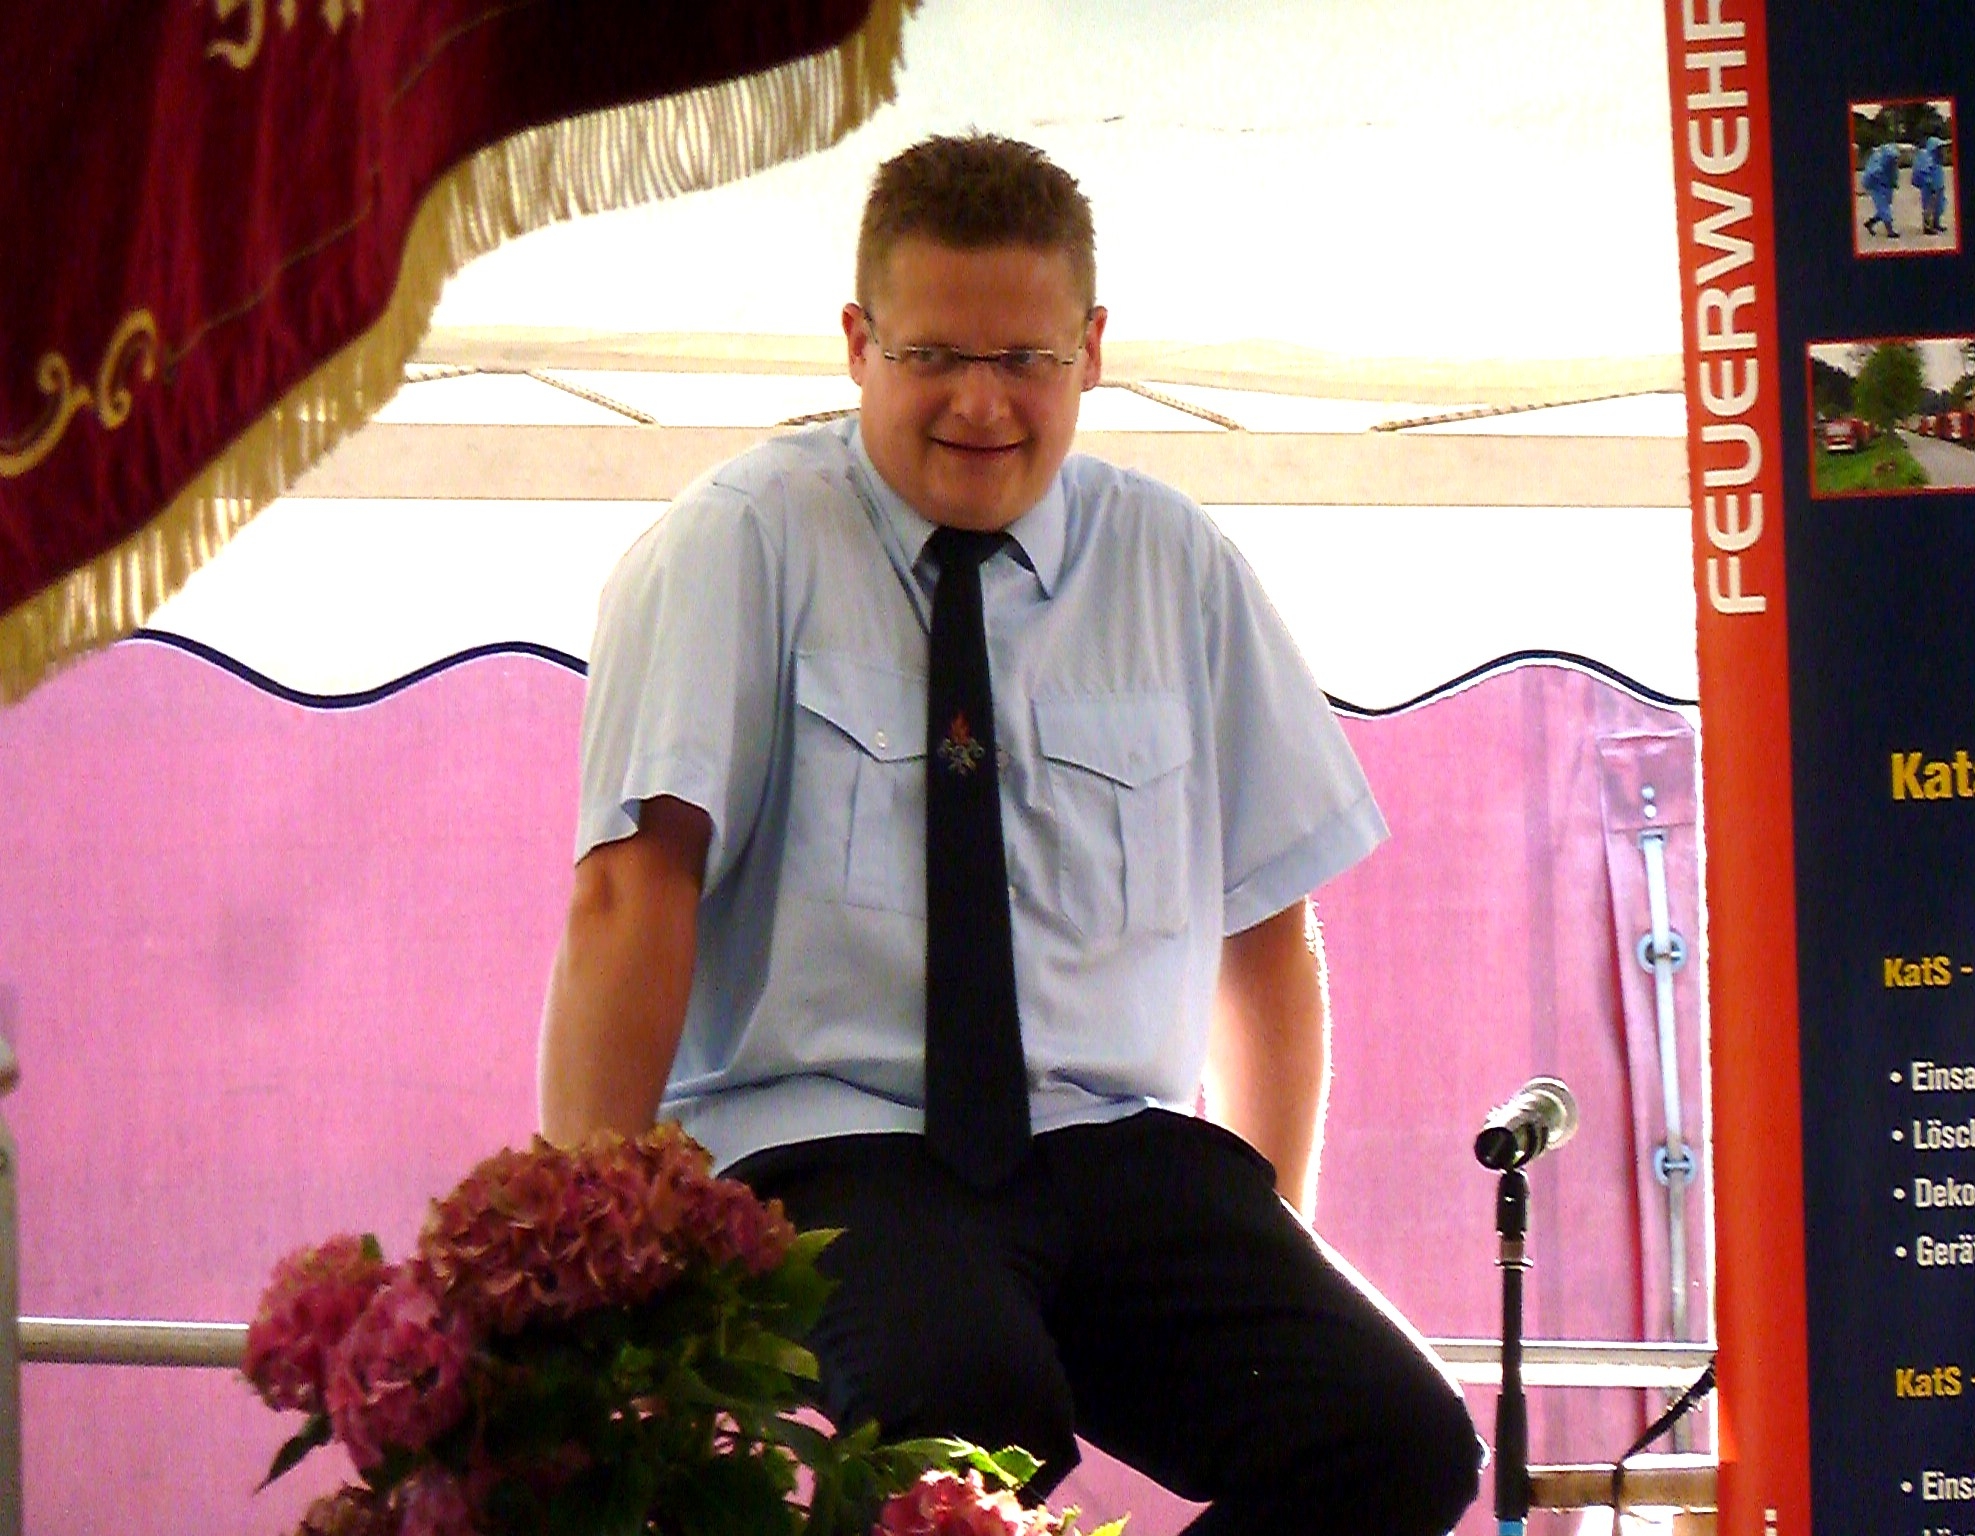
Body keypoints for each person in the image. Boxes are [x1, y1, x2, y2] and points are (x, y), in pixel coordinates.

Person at [539, 132, 1482, 1536]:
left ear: (1092, 350)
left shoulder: (1175, 563)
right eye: (932, 356)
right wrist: (594, 1274)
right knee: (971, 1415)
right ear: (857, 344)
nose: (980, 403)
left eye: (1026, 360)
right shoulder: (734, 544)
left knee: (1395, 1439)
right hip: (829, 1140)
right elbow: (631, 896)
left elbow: (1267, 934)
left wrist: (1268, 1229)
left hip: (1115, 1145)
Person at [1861, 139, 1900, 239]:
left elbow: (1894, 175)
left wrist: (1894, 183)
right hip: (1877, 187)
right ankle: (1890, 231)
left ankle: (1871, 222)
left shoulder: (1891, 164)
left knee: (1884, 208)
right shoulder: (1877, 163)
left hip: (1887, 187)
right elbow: (1870, 175)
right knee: (1884, 209)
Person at [1911, 135, 1946, 235]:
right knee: (1928, 207)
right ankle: (1927, 227)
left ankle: (1936, 223)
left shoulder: (1937, 158)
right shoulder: (1926, 158)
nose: (1941, 150)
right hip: (1929, 188)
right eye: (1939, 147)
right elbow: (1923, 172)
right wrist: (1930, 183)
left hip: (1938, 187)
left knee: (1939, 206)